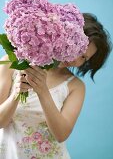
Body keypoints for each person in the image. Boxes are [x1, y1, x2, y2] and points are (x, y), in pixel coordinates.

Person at [0, 13, 112, 159]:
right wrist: (16, 93)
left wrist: (43, 91)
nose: (75, 59)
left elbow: (61, 134)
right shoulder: (11, 63)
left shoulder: (75, 86)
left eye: (84, 57)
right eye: (77, 48)